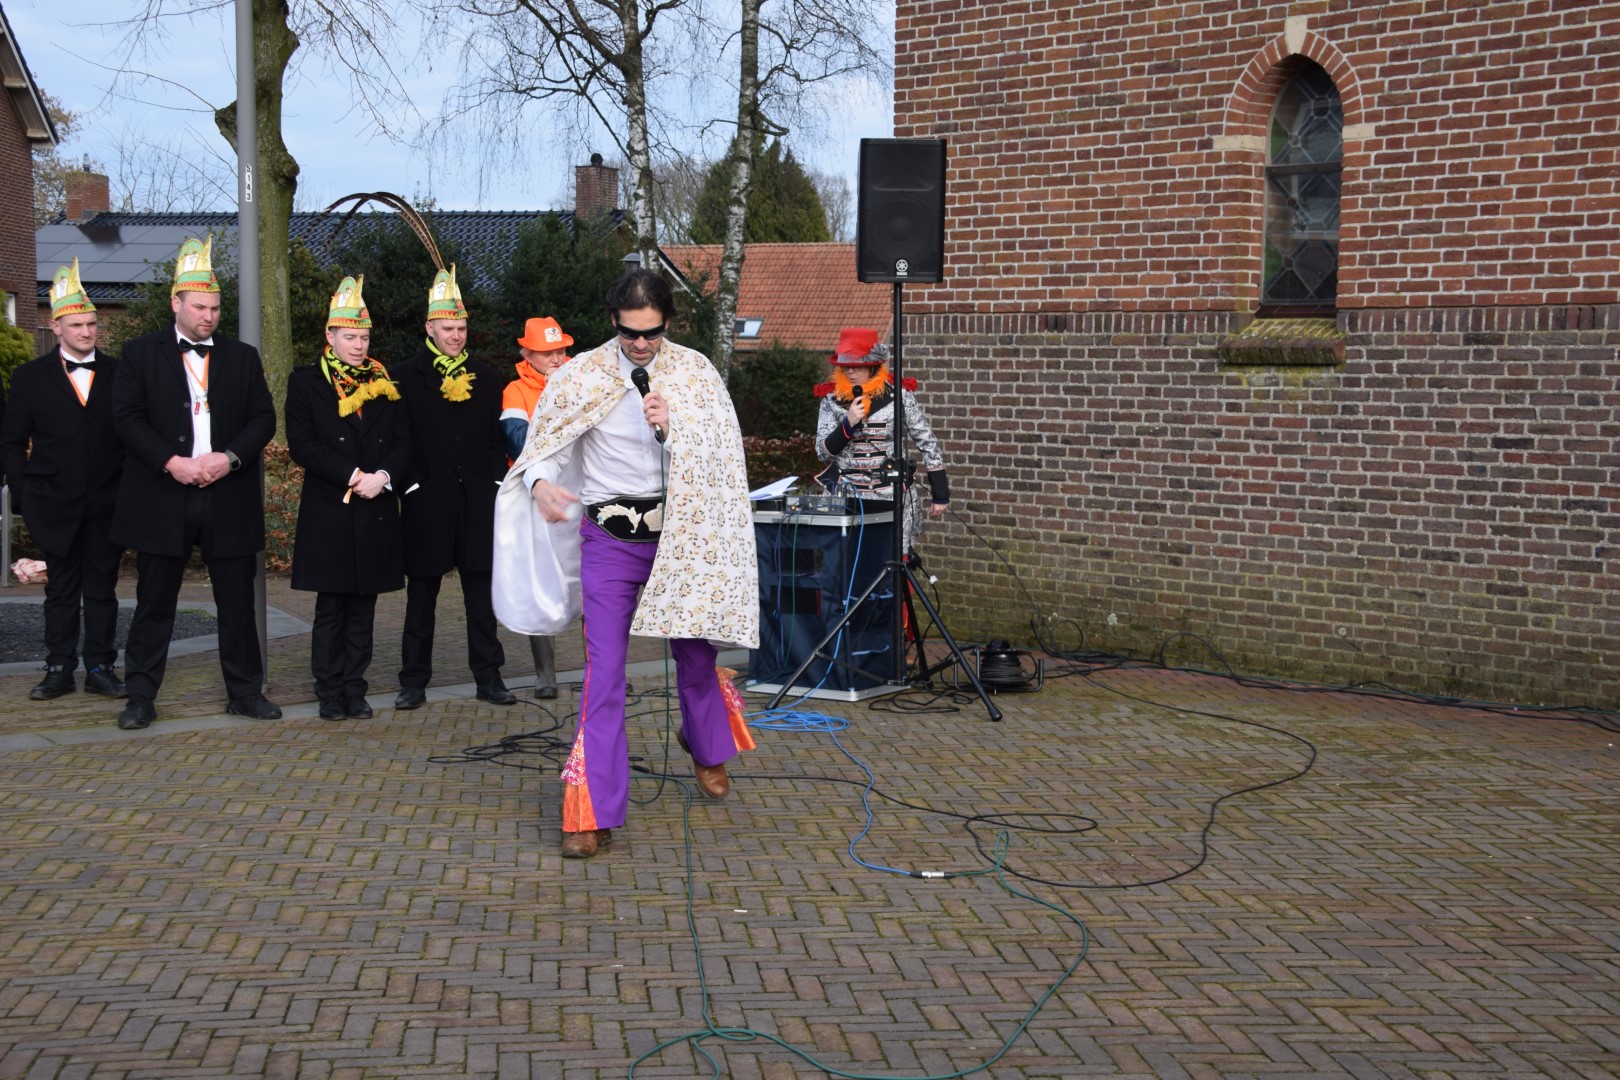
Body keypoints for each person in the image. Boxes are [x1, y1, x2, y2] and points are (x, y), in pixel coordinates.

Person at [492, 268, 758, 859]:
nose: (641, 344)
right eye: (630, 332)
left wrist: (676, 426)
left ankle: (706, 746)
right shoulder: (580, 375)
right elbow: (544, 445)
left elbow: (723, 455)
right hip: (610, 538)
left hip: (681, 535)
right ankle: (592, 812)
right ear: (613, 321)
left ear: (668, 323)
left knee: (696, 653)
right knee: (604, 673)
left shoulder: (695, 372)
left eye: (652, 332)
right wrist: (539, 484)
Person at [110, 237, 280, 730]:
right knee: (154, 600)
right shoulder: (139, 353)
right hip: (164, 495)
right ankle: (140, 695)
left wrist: (230, 458)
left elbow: (263, 418)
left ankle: (245, 692)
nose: (209, 316)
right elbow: (127, 418)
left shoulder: (242, 356)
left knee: (237, 602)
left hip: (228, 494)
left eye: (215, 308)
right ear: (176, 304)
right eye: (200, 307)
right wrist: (170, 462)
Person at [284, 275, 412, 720]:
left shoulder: (385, 382)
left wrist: (384, 476)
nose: (359, 346)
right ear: (330, 336)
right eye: (351, 337)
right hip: (330, 510)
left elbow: (404, 442)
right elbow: (302, 445)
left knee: (364, 607)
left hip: (375, 505)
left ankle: (355, 688)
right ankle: (328, 690)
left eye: (364, 338)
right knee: (331, 607)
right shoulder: (305, 382)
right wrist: (354, 475)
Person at [0, 259, 126, 701]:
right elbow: (11, 441)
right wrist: (23, 492)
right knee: (60, 590)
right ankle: (58, 667)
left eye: (91, 324)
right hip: (52, 501)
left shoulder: (120, 373)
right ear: (56, 327)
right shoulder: (29, 378)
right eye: (77, 325)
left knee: (103, 589)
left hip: (108, 500)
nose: (87, 332)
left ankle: (101, 667)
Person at [392, 265, 515, 709]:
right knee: (421, 598)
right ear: (430, 328)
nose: (457, 336)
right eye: (448, 329)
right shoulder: (404, 377)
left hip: (478, 501)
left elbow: (495, 440)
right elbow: (399, 439)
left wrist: (495, 482)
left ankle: (489, 677)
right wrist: (410, 487)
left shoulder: (487, 377)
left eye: (461, 329)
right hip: (427, 502)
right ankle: (413, 682)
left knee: (481, 597)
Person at [813, 327, 950, 556]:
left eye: (858, 367)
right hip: (848, 495)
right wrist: (848, 423)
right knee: (848, 562)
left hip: (892, 493)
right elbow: (822, 452)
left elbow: (927, 441)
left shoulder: (899, 396)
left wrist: (940, 493)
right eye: (847, 367)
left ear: (873, 366)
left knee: (894, 558)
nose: (851, 372)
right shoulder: (831, 400)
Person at [500, 316, 573, 700]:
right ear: (527, 354)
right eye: (546, 353)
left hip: (580, 495)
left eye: (560, 350)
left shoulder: (581, 383)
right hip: (536, 496)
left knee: (592, 581)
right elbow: (518, 440)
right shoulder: (515, 391)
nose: (556, 358)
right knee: (541, 580)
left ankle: (602, 670)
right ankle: (546, 674)